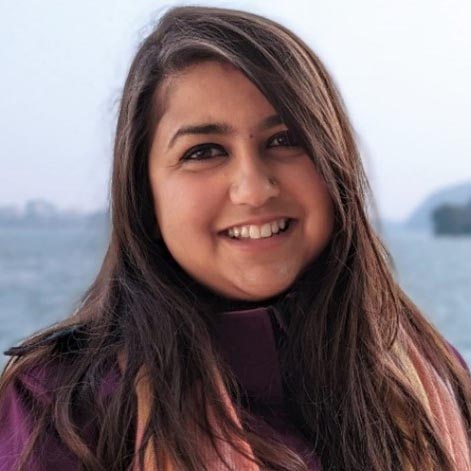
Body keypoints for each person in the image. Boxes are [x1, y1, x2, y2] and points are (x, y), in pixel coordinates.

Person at [0, 5, 470, 471]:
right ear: (145, 192)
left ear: (335, 166)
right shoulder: (59, 407)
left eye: (285, 140)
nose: (253, 188)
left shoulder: (431, 375)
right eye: (203, 151)